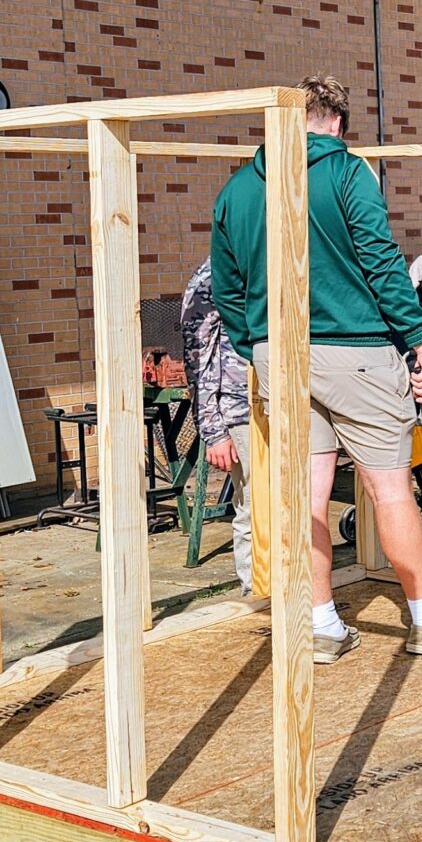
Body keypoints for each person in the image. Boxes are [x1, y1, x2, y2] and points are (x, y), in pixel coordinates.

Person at [210, 73, 422, 663]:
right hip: (356, 352)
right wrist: (419, 338)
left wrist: (255, 345)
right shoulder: (348, 173)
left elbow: (226, 289)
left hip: (279, 356)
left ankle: (322, 626)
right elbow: (382, 264)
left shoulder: (237, 190)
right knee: (389, 488)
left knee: (306, 497)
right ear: (336, 122)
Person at [178, 256, 258, 604]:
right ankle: (257, 589)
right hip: (240, 410)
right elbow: (197, 359)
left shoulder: (267, 259)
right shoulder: (214, 275)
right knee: (255, 505)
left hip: (279, 407)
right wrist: (214, 431)